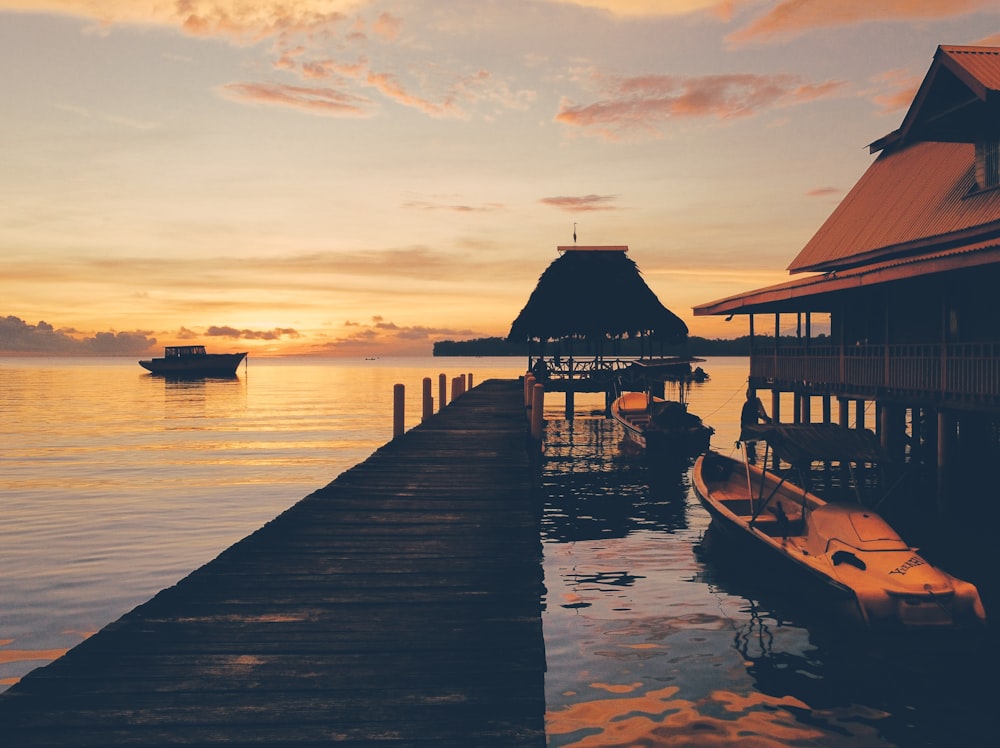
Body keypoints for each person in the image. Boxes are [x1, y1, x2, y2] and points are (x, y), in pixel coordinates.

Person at [740, 388, 771, 464]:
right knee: (751, 445)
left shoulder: (749, 404)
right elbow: (745, 416)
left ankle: (751, 459)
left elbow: (743, 417)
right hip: (750, 426)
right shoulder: (751, 404)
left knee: (751, 445)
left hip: (750, 426)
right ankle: (752, 459)